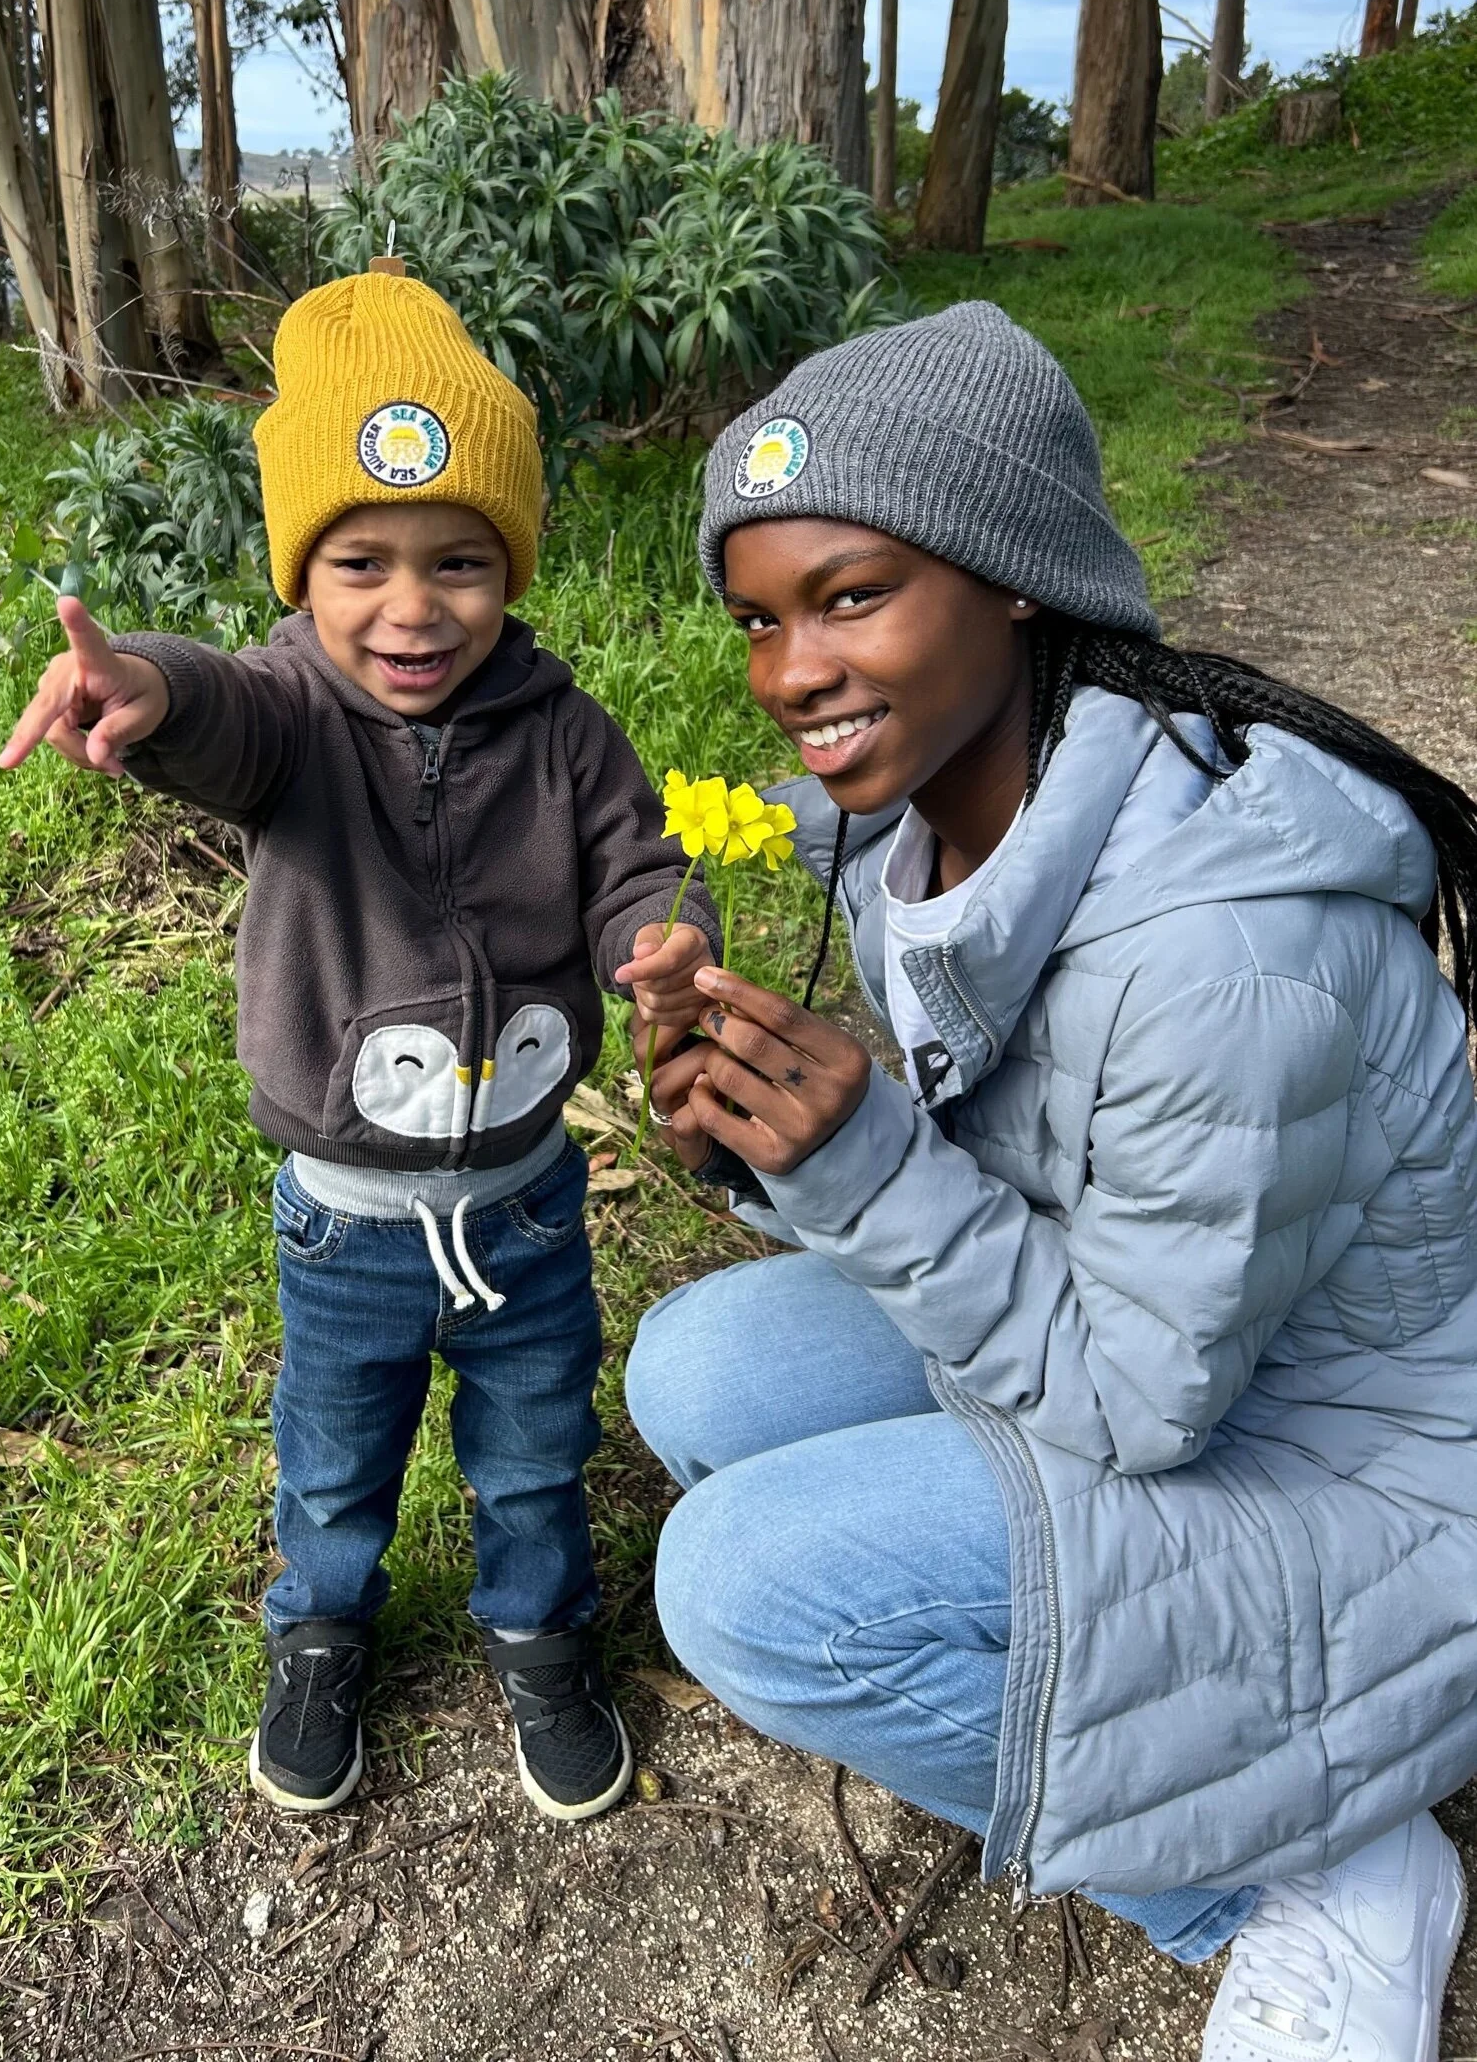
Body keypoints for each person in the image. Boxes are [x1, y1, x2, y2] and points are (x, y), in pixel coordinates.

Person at [624, 301, 1477, 2061]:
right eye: (762, 620)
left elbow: (1144, 1401)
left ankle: (1306, 1873)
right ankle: (1160, 1721)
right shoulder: (912, 818)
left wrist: (858, 1162)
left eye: (851, 596)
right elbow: (1012, 1172)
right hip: (1163, 1332)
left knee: (737, 1589)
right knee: (694, 1374)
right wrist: (755, 1142)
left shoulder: (1224, 955)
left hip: (1349, 1471)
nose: (791, 673)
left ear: (1014, 574)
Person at [0, 267, 715, 1823]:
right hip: (347, 1221)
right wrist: (144, 683)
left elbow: (638, 861)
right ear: (301, 574)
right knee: (333, 1457)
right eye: (361, 562)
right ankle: (318, 1627)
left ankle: (538, 1630)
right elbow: (216, 713)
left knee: (534, 1445)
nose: (413, 607)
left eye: (460, 560)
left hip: (525, 1202)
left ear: (510, 566)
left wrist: (664, 942)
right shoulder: (287, 716)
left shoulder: (564, 728)